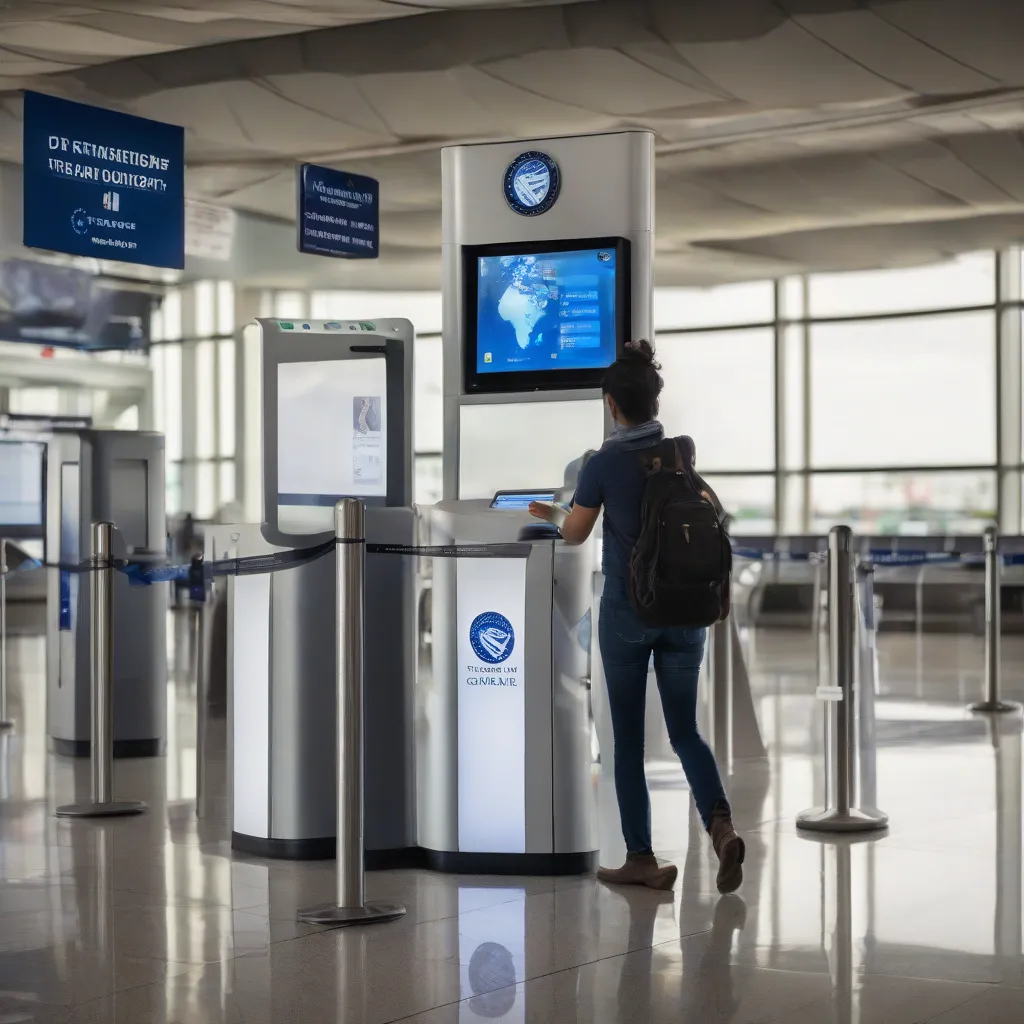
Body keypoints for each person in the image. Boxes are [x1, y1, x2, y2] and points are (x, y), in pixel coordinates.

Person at [529, 339, 744, 894]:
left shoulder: (603, 464)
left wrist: (552, 513)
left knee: (626, 743)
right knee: (685, 732)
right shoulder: (679, 454)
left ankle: (642, 859)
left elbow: (575, 533)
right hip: (685, 610)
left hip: (629, 612)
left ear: (610, 404)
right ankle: (721, 828)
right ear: (654, 400)